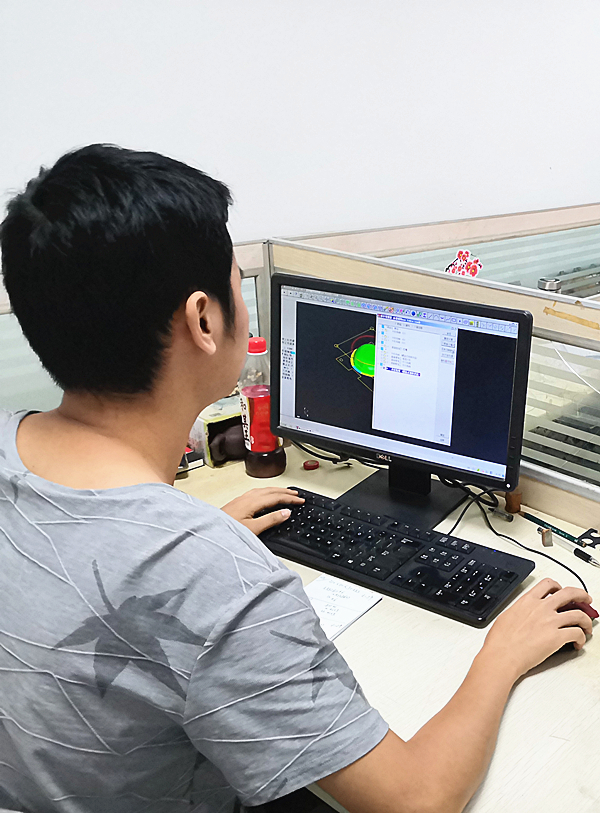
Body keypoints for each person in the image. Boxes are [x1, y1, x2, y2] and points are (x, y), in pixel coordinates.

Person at [0, 144, 593, 813]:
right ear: (203, 319)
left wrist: (189, 536)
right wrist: (502, 654)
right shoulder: (205, 575)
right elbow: (414, 800)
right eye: (235, 282)